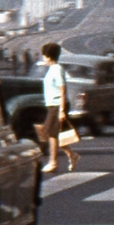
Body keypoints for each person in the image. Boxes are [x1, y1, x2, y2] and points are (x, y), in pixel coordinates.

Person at [33, 42, 78, 174]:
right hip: (52, 105)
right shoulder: (52, 69)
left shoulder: (57, 69)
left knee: (51, 133)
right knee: (49, 132)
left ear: (48, 56)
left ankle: (53, 162)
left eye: (44, 56)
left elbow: (62, 90)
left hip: (57, 105)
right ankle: (71, 154)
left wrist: (62, 110)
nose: (43, 58)